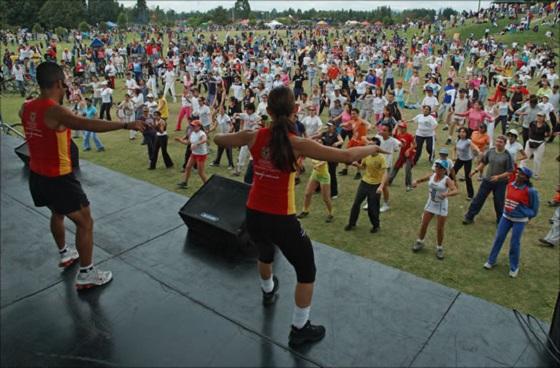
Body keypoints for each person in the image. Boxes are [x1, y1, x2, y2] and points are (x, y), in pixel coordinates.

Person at [213, 86, 386, 347]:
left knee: (264, 252)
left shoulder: (253, 136)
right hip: (281, 218)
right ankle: (299, 327)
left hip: (253, 213)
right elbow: (347, 155)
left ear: (268, 111)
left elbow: (218, 140)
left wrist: (244, 133)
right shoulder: (298, 143)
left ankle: (268, 291)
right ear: (295, 110)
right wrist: (373, 147)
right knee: (306, 269)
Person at [19, 62, 143, 290]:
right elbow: (87, 124)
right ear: (58, 83)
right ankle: (86, 273)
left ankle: (65, 253)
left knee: (57, 213)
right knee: (85, 222)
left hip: (37, 175)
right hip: (59, 178)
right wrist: (126, 125)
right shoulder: (56, 110)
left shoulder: (25, 107)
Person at [483, 167, 539, 278]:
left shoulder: (531, 191)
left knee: (514, 243)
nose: (518, 174)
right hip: (506, 217)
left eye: (521, 174)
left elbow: (534, 209)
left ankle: (514, 267)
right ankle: (491, 260)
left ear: (526, 178)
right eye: (518, 172)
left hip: (519, 220)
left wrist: (525, 214)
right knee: (499, 238)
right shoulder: (510, 185)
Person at [411, 160, 459, 260]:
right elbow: (422, 179)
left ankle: (439, 248)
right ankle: (420, 241)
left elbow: (455, 190)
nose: (437, 168)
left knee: (440, 228)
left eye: (440, 167)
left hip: (442, 205)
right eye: (436, 166)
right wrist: (416, 182)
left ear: (444, 170)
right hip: (431, 203)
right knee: (424, 223)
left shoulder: (446, 180)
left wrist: (446, 194)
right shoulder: (432, 175)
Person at [463, 135, 514, 225]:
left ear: (505, 144)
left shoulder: (507, 155)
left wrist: (498, 177)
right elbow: (484, 162)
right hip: (488, 180)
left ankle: (500, 220)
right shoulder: (491, 151)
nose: (498, 143)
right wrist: (475, 171)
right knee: (478, 199)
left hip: (500, 183)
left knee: (499, 201)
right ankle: (469, 217)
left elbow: (510, 171)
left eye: (500, 142)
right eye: (497, 141)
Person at [345, 136, 387, 233]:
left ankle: (376, 225)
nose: (368, 147)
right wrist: (357, 165)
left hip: (375, 185)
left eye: (371, 145)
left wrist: (381, 186)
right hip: (364, 183)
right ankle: (352, 223)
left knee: (372, 207)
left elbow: (385, 173)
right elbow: (363, 167)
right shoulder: (366, 156)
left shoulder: (381, 158)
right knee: (356, 204)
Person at [297, 156, 334, 223]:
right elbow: (303, 155)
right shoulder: (312, 152)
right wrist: (299, 161)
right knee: (307, 194)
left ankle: (330, 213)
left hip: (324, 177)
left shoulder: (322, 152)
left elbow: (325, 159)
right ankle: (305, 211)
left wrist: (318, 164)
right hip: (315, 174)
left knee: (326, 198)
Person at [176, 120, 208, 189]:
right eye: (192, 125)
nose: (192, 127)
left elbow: (204, 140)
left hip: (201, 155)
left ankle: (208, 185)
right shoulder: (192, 133)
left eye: (194, 126)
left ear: (199, 127)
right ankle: (185, 183)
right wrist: (180, 140)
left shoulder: (202, 133)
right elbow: (188, 143)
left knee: (200, 172)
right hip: (194, 154)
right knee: (188, 167)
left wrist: (197, 144)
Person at [520, 111, 551, 179]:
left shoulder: (546, 125)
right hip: (530, 141)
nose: (539, 117)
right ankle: (521, 171)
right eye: (538, 116)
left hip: (540, 143)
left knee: (537, 159)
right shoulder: (532, 123)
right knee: (525, 157)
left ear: (544, 118)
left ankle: (535, 175)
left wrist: (547, 135)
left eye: (541, 116)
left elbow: (549, 133)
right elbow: (529, 130)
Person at [452, 127, 480, 200]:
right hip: (460, 159)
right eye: (460, 132)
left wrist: (478, 151)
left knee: (468, 177)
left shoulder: (468, 141)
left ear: (466, 133)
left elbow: (474, 146)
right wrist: (454, 156)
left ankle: (470, 195)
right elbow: (454, 149)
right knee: (452, 173)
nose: (461, 133)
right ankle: (447, 186)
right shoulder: (457, 140)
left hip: (468, 160)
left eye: (463, 132)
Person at [389, 121, 416, 191]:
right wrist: (396, 126)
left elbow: (415, 145)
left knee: (408, 170)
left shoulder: (409, 136)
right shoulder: (398, 136)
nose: (401, 129)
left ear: (405, 128)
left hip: (409, 155)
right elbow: (393, 135)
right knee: (395, 167)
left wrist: (409, 150)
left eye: (402, 128)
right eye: (400, 127)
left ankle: (408, 185)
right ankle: (389, 181)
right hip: (402, 154)